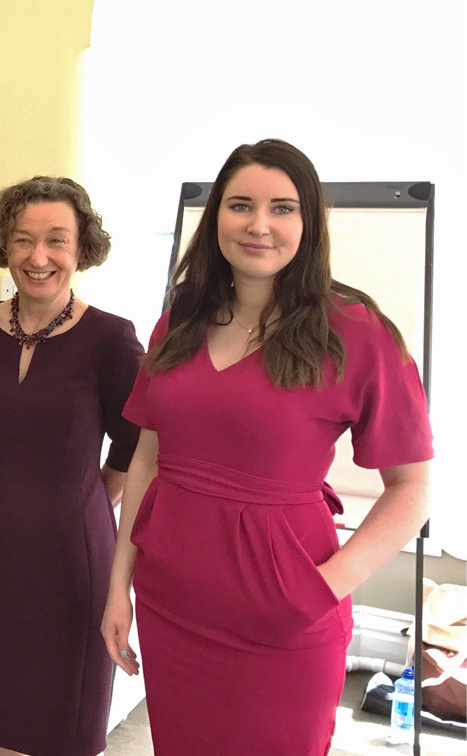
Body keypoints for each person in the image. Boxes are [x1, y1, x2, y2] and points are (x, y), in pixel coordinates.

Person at [101, 139, 433, 754]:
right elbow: (147, 458)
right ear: (215, 218)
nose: (259, 225)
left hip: (285, 617)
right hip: (172, 605)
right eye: (240, 205)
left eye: (282, 208)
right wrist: (118, 585)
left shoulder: (357, 333)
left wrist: (321, 589)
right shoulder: (180, 322)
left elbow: (411, 490)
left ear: (308, 224)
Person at [0, 177, 143, 756]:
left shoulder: (112, 340)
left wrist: (82, 499)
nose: (39, 258)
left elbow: (137, 452)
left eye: (57, 241)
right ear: (2, 248)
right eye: (23, 240)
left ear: (81, 249)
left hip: (71, 563)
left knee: (65, 728)